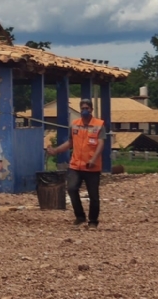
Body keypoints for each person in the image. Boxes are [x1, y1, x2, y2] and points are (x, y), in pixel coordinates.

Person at [46, 98, 105, 229]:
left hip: (92, 167)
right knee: (72, 189)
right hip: (76, 165)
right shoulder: (75, 125)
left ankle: (93, 221)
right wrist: (56, 150)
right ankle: (80, 216)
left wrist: (94, 159)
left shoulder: (99, 125)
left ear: (91, 110)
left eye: (87, 108)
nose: (85, 111)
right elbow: (70, 143)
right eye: (82, 108)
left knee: (93, 196)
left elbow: (101, 144)